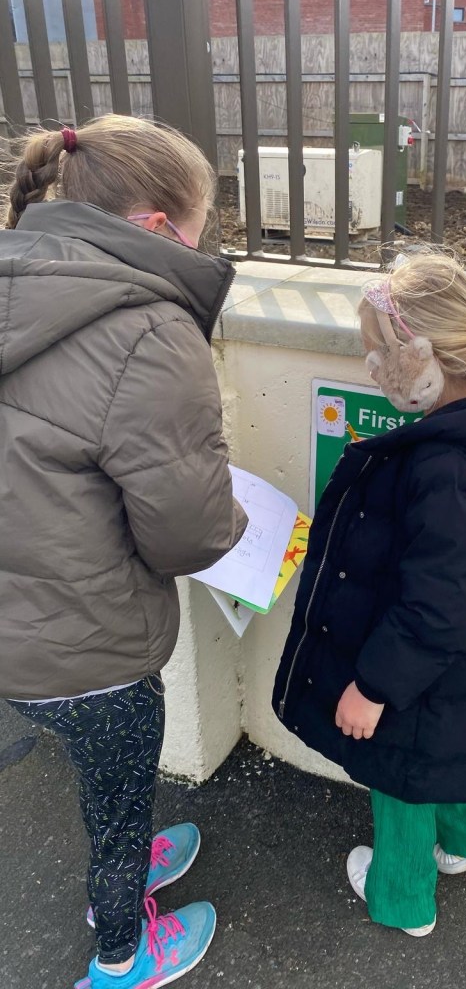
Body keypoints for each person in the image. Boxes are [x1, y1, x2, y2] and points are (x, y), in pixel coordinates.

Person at [0, 115, 247, 988]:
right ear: (156, 227)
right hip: (88, 646)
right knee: (116, 801)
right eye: (200, 229)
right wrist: (238, 522)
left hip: (15, 632)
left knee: (97, 774)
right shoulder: (148, 330)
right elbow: (190, 532)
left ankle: (131, 860)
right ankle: (120, 955)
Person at [273, 249, 466, 936]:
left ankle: (400, 898)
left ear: (422, 355)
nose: (372, 369)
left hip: (425, 670)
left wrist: (373, 687)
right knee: (447, 754)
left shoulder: (446, 465)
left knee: (401, 773)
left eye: (379, 353)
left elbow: (439, 605)